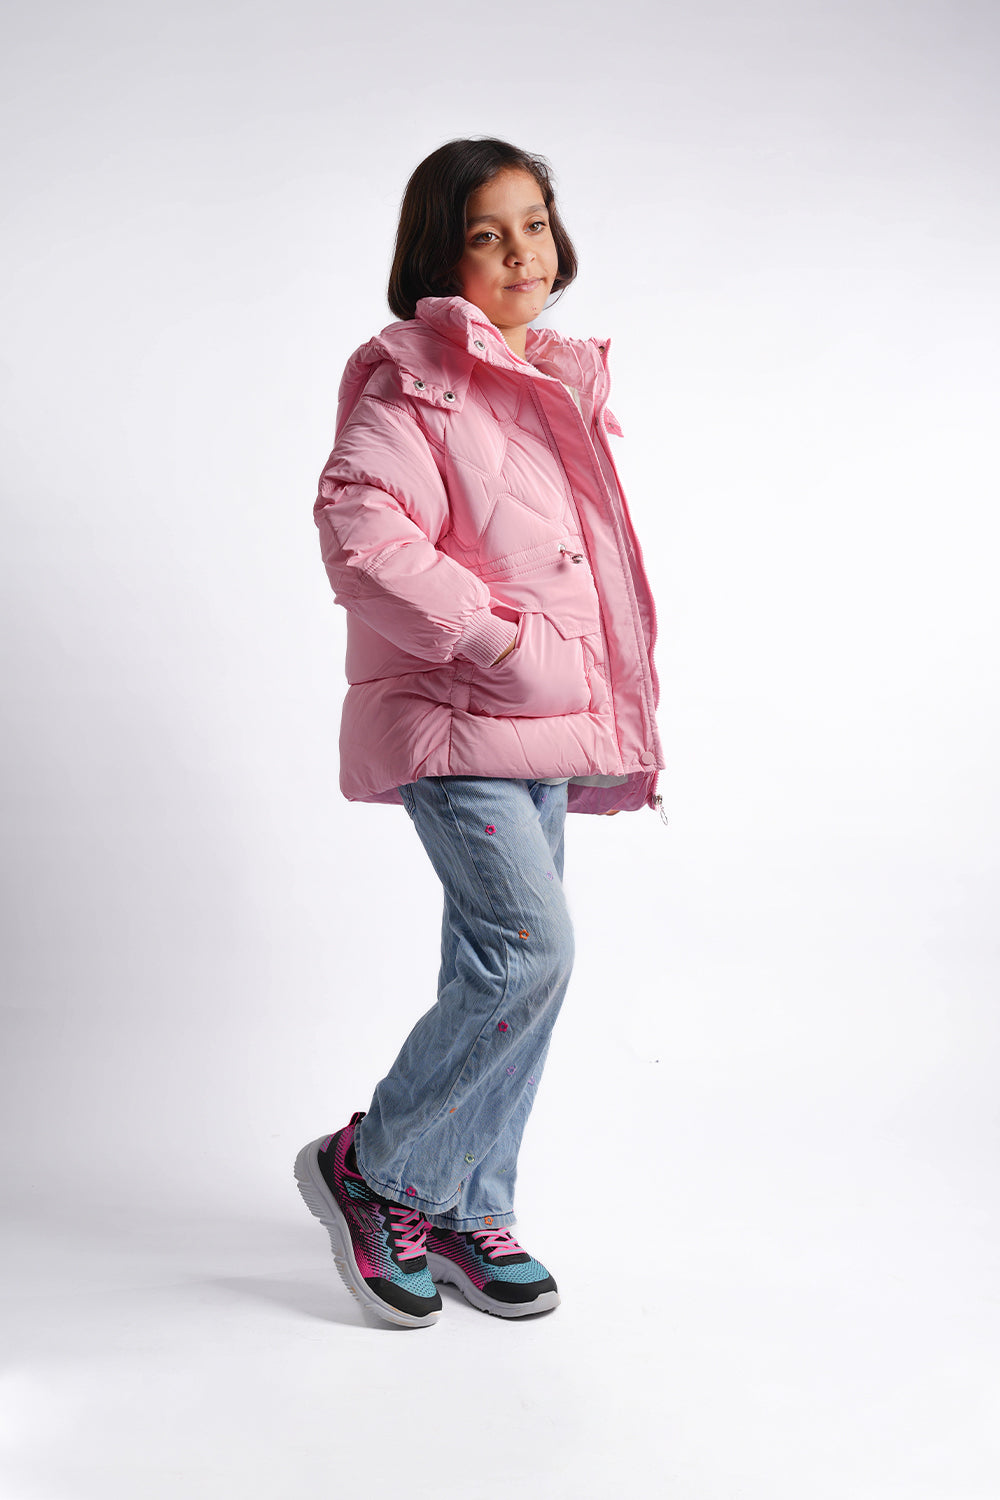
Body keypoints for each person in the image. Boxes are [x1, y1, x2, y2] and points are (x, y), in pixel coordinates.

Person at [294, 137, 665, 1329]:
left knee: (499, 971)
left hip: (536, 725)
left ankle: (462, 1204)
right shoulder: (416, 380)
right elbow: (359, 531)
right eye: (484, 235)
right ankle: (376, 1169)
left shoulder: (548, 378)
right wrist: (494, 643)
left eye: (534, 225)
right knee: (530, 955)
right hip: (460, 715)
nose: (519, 255)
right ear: (436, 257)